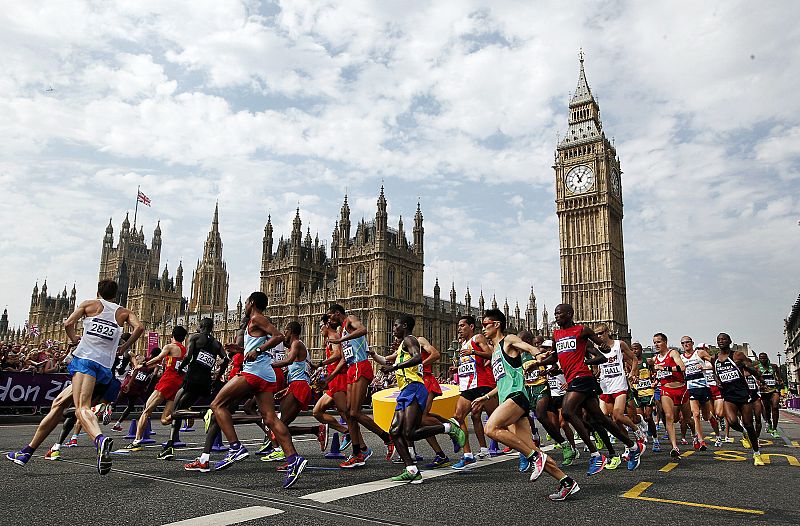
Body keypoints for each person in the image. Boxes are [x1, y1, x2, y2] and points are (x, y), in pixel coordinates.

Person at [7, 280, 143, 475]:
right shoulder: (124, 312)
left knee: (81, 408)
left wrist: (74, 339)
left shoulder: (90, 304)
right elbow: (139, 328)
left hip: (86, 361)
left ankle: (100, 440)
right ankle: (26, 452)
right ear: (116, 294)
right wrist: (124, 347)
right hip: (104, 369)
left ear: (98, 292)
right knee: (59, 403)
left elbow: (68, 323)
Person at [472, 309, 579, 501]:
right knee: (530, 448)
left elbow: (528, 347)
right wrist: (485, 398)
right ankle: (566, 481)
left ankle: (534, 457)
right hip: (508, 399)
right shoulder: (496, 352)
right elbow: (501, 382)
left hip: (518, 396)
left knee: (491, 428)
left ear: (496, 324)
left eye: (486, 324)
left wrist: (538, 356)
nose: (483, 328)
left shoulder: (508, 340)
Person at [211, 292, 306, 487]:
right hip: (266, 373)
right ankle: (293, 459)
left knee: (217, 404)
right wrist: (242, 351)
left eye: (246, 302)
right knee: (270, 418)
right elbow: (261, 344)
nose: (244, 305)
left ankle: (235, 447)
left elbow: (278, 336)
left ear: (252, 303)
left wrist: (258, 351)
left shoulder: (256, 317)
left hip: (254, 373)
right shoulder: (254, 322)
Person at [540, 304, 642, 475]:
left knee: (567, 412)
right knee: (600, 419)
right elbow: (557, 356)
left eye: (559, 313)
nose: (556, 316)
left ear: (570, 314)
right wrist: (539, 363)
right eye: (555, 313)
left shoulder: (582, 330)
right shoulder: (556, 334)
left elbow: (603, 350)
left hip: (583, 377)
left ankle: (595, 455)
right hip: (574, 378)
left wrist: (595, 354)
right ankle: (633, 446)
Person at [370, 315, 465, 483]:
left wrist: (395, 367)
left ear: (404, 326)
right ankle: (412, 470)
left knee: (410, 432)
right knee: (395, 432)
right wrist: (373, 354)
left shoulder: (410, 339)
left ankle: (449, 428)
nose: (393, 328)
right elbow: (385, 360)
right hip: (406, 390)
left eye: (396, 325)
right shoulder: (401, 347)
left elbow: (417, 357)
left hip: (414, 387)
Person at [327, 304, 393, 468]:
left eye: (330, 316)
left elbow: (363, 330)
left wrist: (341, 340)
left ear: (337, 313)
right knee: (349, 413)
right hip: (351, 368)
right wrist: (329, 377)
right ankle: (358, 453)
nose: (329, 320)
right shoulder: (342, 329)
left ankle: (387, 438)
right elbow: (343, 358)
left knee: (355, 412)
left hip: (360, 366)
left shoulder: (350, 319)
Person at [158, 318, 226, 460]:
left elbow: (188, 356)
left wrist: (181, 368)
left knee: (176, 410)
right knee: (183, 408)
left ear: (201, 326)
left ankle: (171, 445)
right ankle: (172, 443)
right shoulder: (217, 344)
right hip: (206, 381)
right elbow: (225, 360)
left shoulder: (195, 337)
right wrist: (218, 376)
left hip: (192, 378)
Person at [123, 326, 188, 451]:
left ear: (172, 335)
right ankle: (184, 415)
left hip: (167, 381)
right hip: (178, 384)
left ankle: (136, 441)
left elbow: (159, 358)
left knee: (146, 411)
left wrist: (143, 365)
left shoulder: (170, 346)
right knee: (164, 420)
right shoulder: (185, 350)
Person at [593, 323, 644, 469]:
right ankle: (631, 447)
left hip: (619, 385)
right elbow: (596, 370)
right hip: (605, 387)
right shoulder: (596, 349)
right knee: (610, 420)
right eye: (596, 334)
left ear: (608, 332)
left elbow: (634, 359)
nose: (599, 336)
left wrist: (634, 372)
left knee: (618, 415)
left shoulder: (618, 344)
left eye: (601, 333)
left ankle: (637, 429)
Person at [451, 315, 497, 469]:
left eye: (462, 326)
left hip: (482, 385)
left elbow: (490, 354)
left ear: (471, 327)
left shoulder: (477, 338)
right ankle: (469, 455)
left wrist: (474, 352)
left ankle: (527, 450)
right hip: (467, 387)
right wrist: (457, 369)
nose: (459, 329)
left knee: (499, 420)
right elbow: (470, 364)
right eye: (458, 326)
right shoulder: (462, 344)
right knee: (459, 416)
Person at [713, 333, 763, 465]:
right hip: (728, 395)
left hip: (743, 394)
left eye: (724, 339)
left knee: (748, 423)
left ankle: (757, 454)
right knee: (733, 421)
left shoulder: (737, 355)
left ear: (730, 341)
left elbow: (750, 367)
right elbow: (715, 373)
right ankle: (744, 432)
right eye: (718, 339)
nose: (721, 341)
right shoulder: (715, 359)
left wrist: (758, 376)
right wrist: (717, 380)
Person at [311, 315, 350, 451]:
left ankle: (361, 446)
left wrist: (321, 363)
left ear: (327, 325)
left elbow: (338, 354)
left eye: (320, 325)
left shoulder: (333, 337)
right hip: (333, 380)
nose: (319, 328)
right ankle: (347, 432)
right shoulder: (330, 339)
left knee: (346, 413)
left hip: (339, 379)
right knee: (317, 412)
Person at [680, 336, 718, 451]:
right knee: (695, 414)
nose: (685, 344)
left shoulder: (700, 353)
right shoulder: (680, 358)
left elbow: (714, 363)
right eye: (683, 343)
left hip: (703, 387)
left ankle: (713, 422)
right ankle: (701, 440)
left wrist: (704, 367)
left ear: (692, 343)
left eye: (687, 342)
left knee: (706, 416)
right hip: (690, 388)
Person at [630, 342, 659, 451]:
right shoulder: (629, 363)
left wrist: (655, 382)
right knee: (639, 418)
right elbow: (628, 376)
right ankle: (642, 437)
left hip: (648, 392)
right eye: (632, 349)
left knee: (648, 417)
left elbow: (656, 373)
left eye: (636, 349)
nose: (634, 351)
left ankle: (655, 439)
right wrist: (631, 382)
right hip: (637, 393)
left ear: (641, 350)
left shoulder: (648, 361)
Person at [757, 352, 783, 438]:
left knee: (775, 407)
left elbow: (779, 377)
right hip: (764, 392)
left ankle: (775, 429)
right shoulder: (756, 368)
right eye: (761, 358)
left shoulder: (774, 366)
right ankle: (769, 422)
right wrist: (760, 385)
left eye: (764, 358)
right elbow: (756, 378)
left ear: (767, 358)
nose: (763, 360)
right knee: (767, 410)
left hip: (773, 389)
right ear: (759, 359)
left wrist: (779, 380)